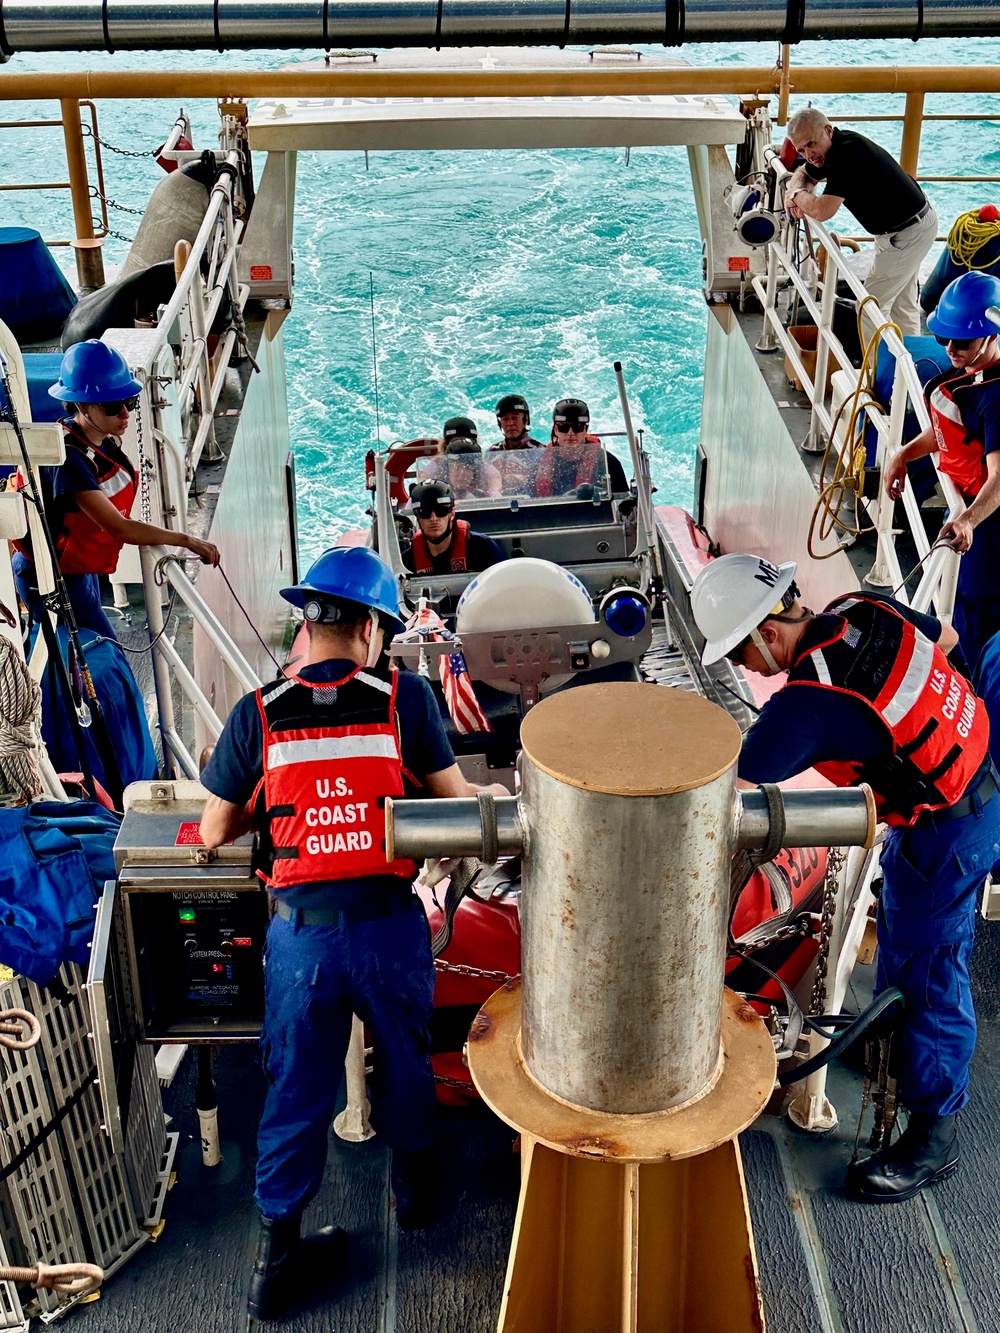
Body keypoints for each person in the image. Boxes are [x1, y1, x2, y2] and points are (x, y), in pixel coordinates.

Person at [199, 545, 508, 1321]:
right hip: (386, 931)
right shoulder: (406, 700)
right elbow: (455, 805)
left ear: (310, 623)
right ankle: (414, 1196)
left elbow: (212, 827)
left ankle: (277, 1259)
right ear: (371, 629)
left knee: (296, 1089)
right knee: (406, 1062)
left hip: (301, 940)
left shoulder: (258, 711)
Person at [691, 553, 1000, 1204]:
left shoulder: (809, 703)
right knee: (904, 940)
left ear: (768, 632)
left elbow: (725, 788)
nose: (747, 671)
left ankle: (933, 1138)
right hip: (961, 787)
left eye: (742, 657)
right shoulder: (862, 607)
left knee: (933, 969)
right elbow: (948, 643)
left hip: (949, 826)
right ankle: (895, 1039)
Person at [11, 339, 218, 639]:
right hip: (49, 579)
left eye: (129, 402)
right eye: (112, 406)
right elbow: (119, 528)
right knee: (99, 655)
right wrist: (187, 541)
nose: (125, 414)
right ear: (82, 406)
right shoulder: (70, 460)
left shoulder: (97, 439)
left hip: (76, 569)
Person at [883, 271, 1000, 672]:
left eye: (962, 341)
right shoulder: (972, 374)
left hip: (990, 525)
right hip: (975, 512)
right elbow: (948, 431)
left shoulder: (997, 397)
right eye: (943, 337)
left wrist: (967, 520)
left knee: (979, 616)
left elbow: (999, 480)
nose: (951, 348)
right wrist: (903, 454)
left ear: (990, 336)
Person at [785, 108, 937, 338]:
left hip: (907, 233)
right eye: (801, 149)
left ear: (828, 130)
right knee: (901, 306)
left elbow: (822, 210)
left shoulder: (847, 154)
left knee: (869, 311)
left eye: (811, 144)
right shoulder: (833, 148)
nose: (809, 154)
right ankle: (908, 366)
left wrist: (795, 196)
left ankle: (874, 373)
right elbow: (802, 172)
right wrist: (796, 188)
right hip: (909, 227)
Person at [402, 479, 505, 576]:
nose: (433, 518)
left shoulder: (484, 549)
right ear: (417, 517)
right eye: (424, 513)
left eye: (441, 511)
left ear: (452, 513)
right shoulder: (407, 562)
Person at [543, 398, 629, 495]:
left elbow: (623, 502)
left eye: (577, 427)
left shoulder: (608, 464)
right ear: (555, 429)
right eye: (564, 427)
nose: (570, 433)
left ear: (585, 429)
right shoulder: (540, 464)